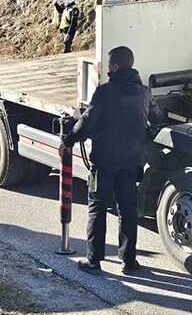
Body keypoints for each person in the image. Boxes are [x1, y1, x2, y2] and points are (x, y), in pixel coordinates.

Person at [60, 46, 160, 276]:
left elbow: (87, 122)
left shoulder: (104, 92)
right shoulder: (144, 92)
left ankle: (94, 261)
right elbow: (155, 119)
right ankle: (129, 261)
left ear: (115, 66)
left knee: (97, 207)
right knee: (127, 210)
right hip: (131, 163)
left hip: (104, 163)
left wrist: (68, 140)